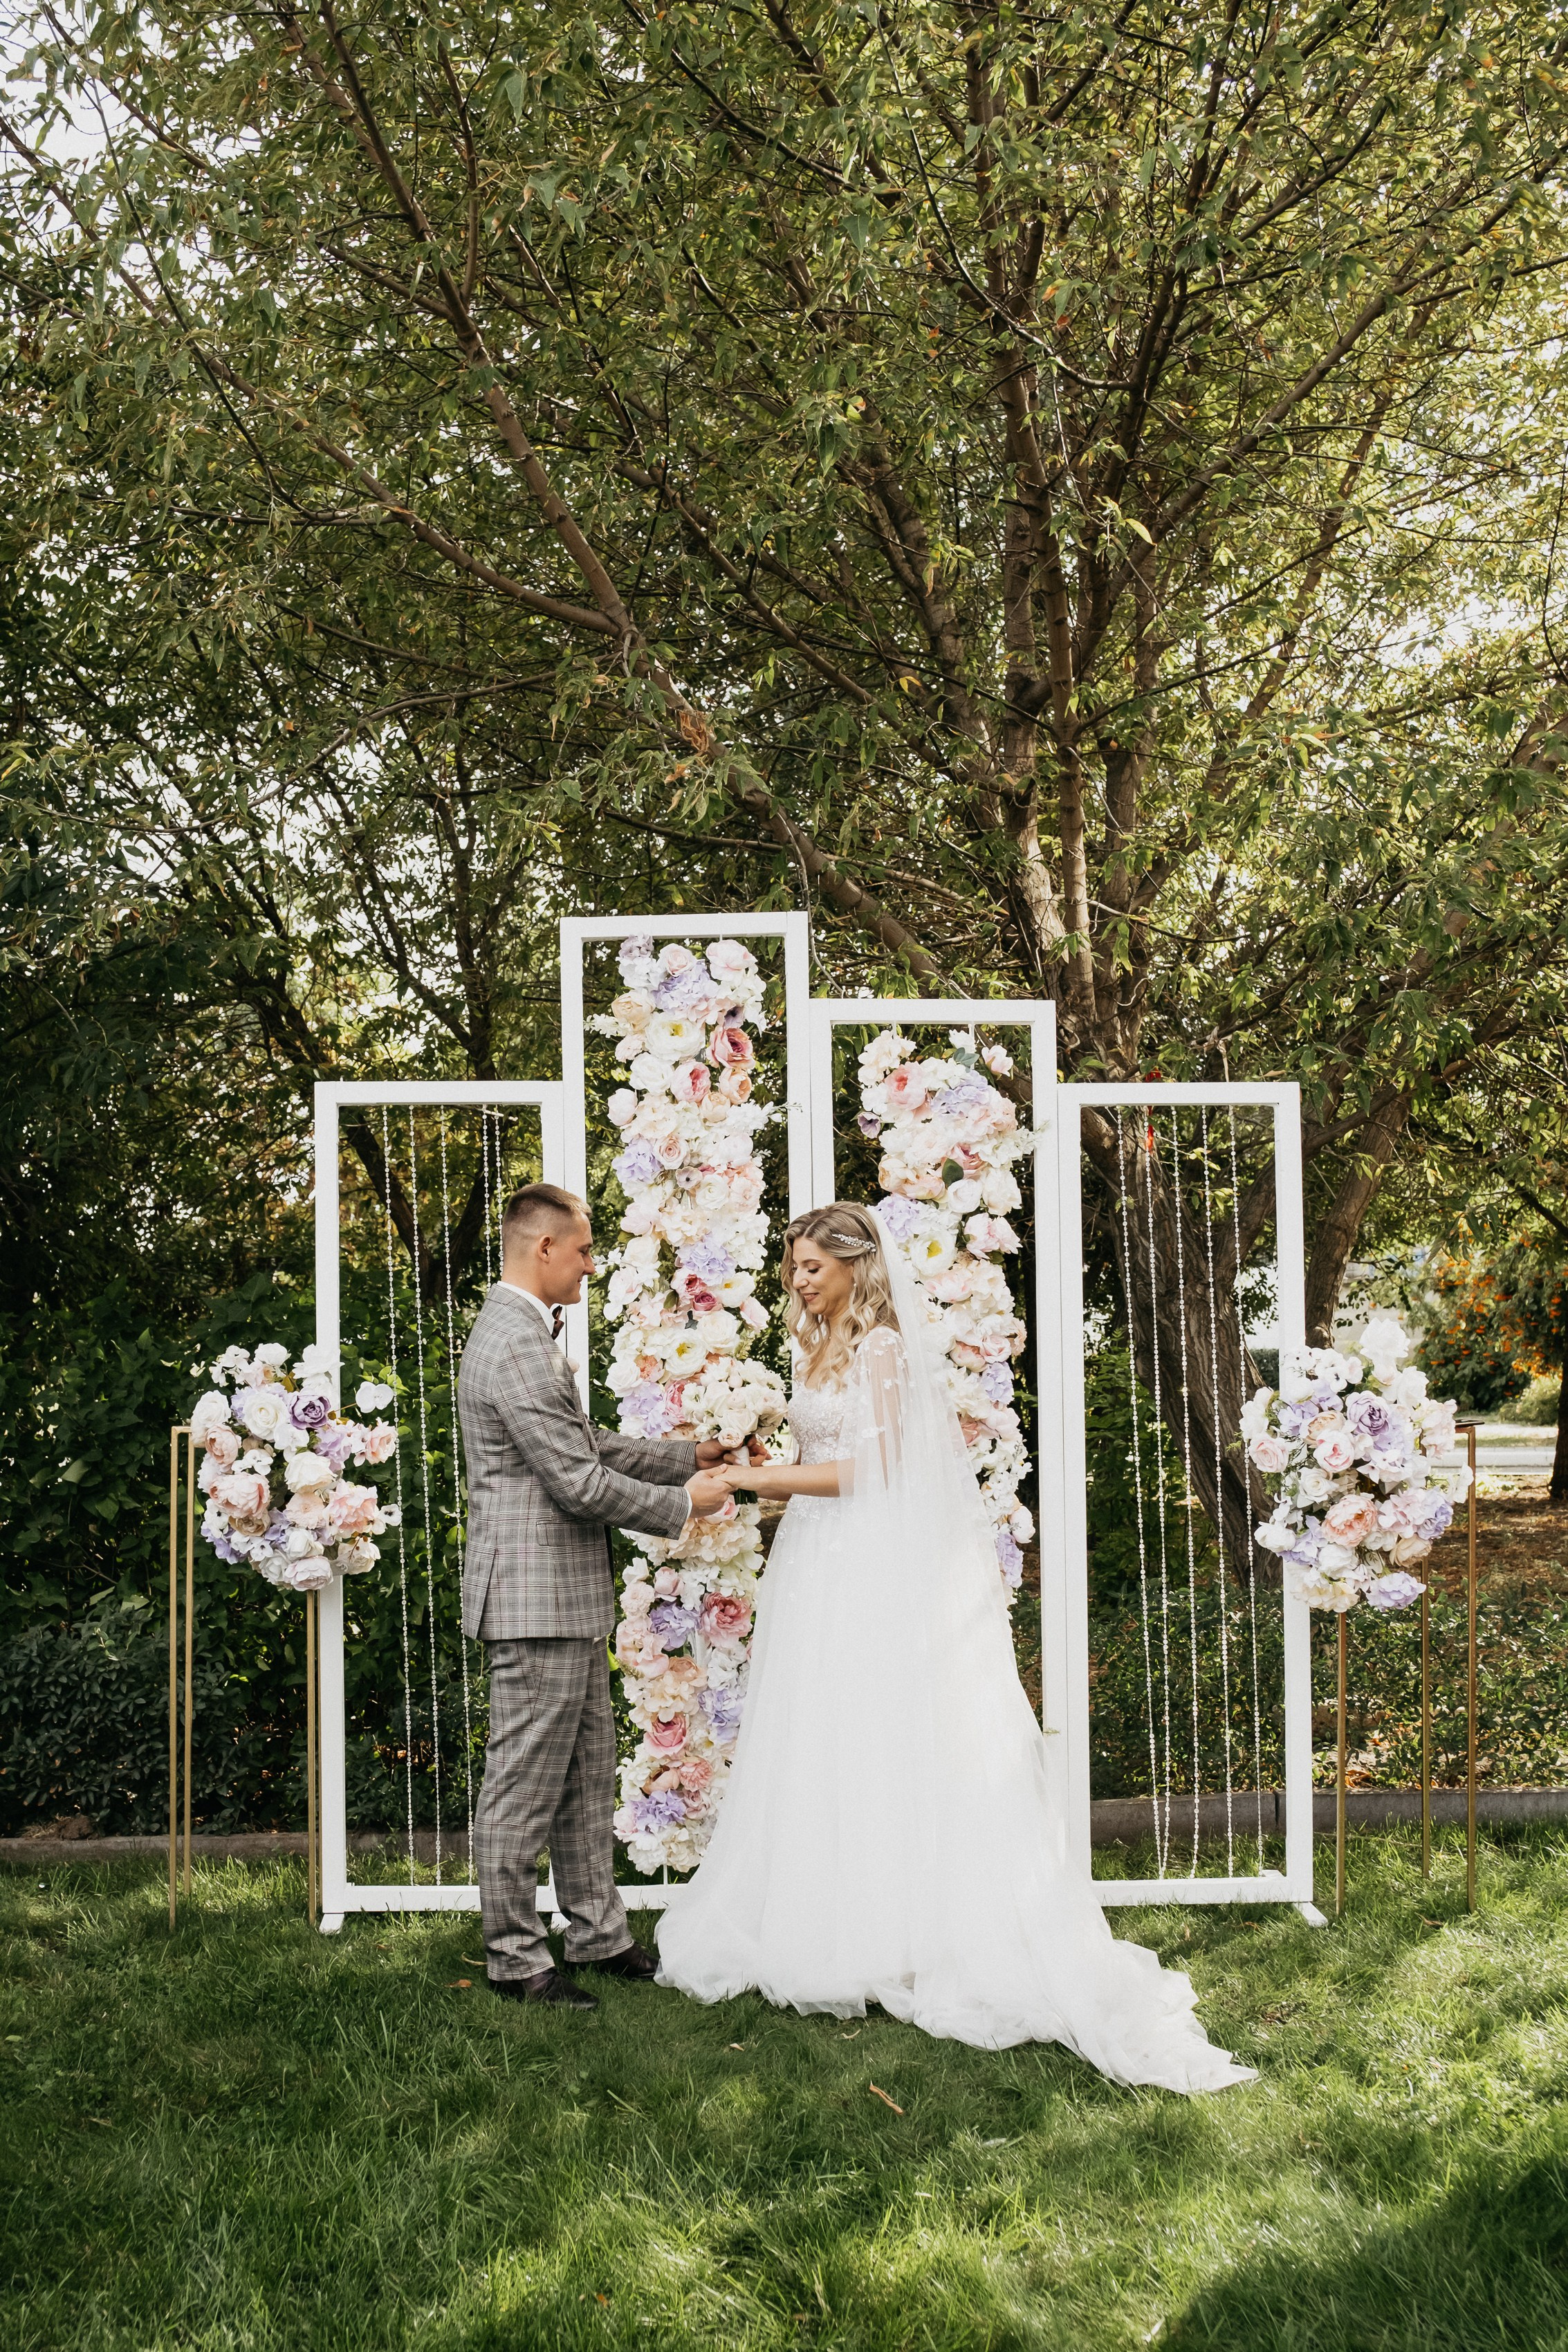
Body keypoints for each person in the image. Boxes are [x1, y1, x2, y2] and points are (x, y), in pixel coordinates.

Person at [655, 1202, 1256, 2093]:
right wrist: (761, 1460)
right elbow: (827, 1453)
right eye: (793, 1266)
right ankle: (830, 1916)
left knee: (882, 1730)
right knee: (822, 1734)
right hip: (817, 1560)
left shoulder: (884, 1349)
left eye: (812, 1266)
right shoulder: (818, 1345)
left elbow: (877, 1469)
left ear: (857, 1267)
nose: (798, 1279)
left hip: (865, 1567)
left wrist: (754, 1476)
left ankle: (905, 1926)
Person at [459, 1182, 739, 2010]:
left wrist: (690, 1453)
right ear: (542, 1247)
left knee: (584, 1779)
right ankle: (514, 1960)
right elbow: (579, 1482)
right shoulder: (512, 1342)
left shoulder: (522, 1335)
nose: (590, 1263)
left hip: (560, 1601)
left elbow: (587, 1442)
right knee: (520, 1787)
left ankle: (598, 1935)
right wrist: (688, 1502)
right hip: (532, 1602)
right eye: (581, 1249)